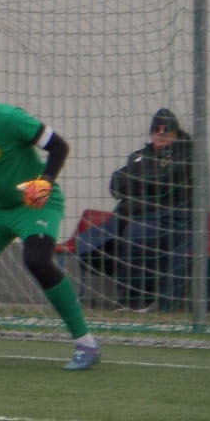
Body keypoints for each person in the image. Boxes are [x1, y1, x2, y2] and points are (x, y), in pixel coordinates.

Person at [0, 56, 99, 371]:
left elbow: (59, 147)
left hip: (36, 203)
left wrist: (45, 182)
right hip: (0, 206)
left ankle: (87, 343)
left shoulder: (9, 118)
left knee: (36, 259)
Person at [75, 109, 194, 310]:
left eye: (166, 131)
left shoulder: (185, 155)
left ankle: (139, 298)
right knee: (87, 242)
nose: (161, 134)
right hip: (130, 215)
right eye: (157, 130)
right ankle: (132, 283)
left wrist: (138, 182)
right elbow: (116, 183)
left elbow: (164, 181)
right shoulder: (139, 156)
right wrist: (146, 183)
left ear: (175, 133)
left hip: (169, 219)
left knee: (136, 234)